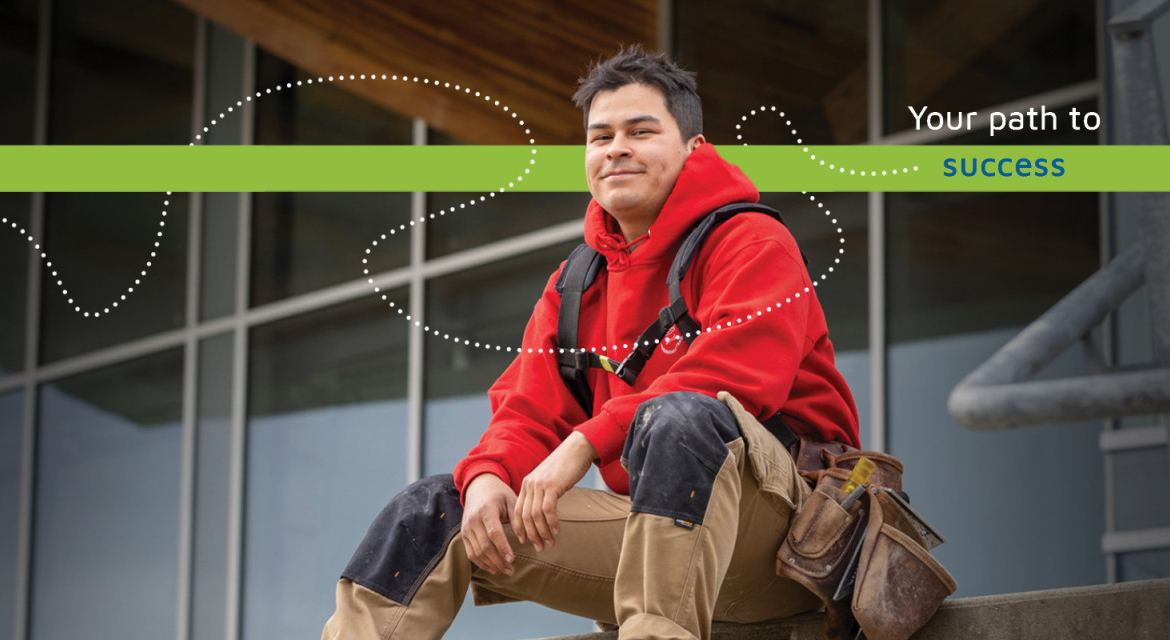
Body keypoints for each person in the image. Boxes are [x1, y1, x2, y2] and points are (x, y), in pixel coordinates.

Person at [322, 45, 859, 640]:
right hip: (658, 542)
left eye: (641, 130)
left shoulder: (753, 241)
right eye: (600, 136)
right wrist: (490, 475)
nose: (616, 148)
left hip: (787, 549)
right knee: (436, 509)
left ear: (693, 149)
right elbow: (527, 409)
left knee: (682, 416)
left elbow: (730, 379)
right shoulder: (577, 282)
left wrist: (583, 445)